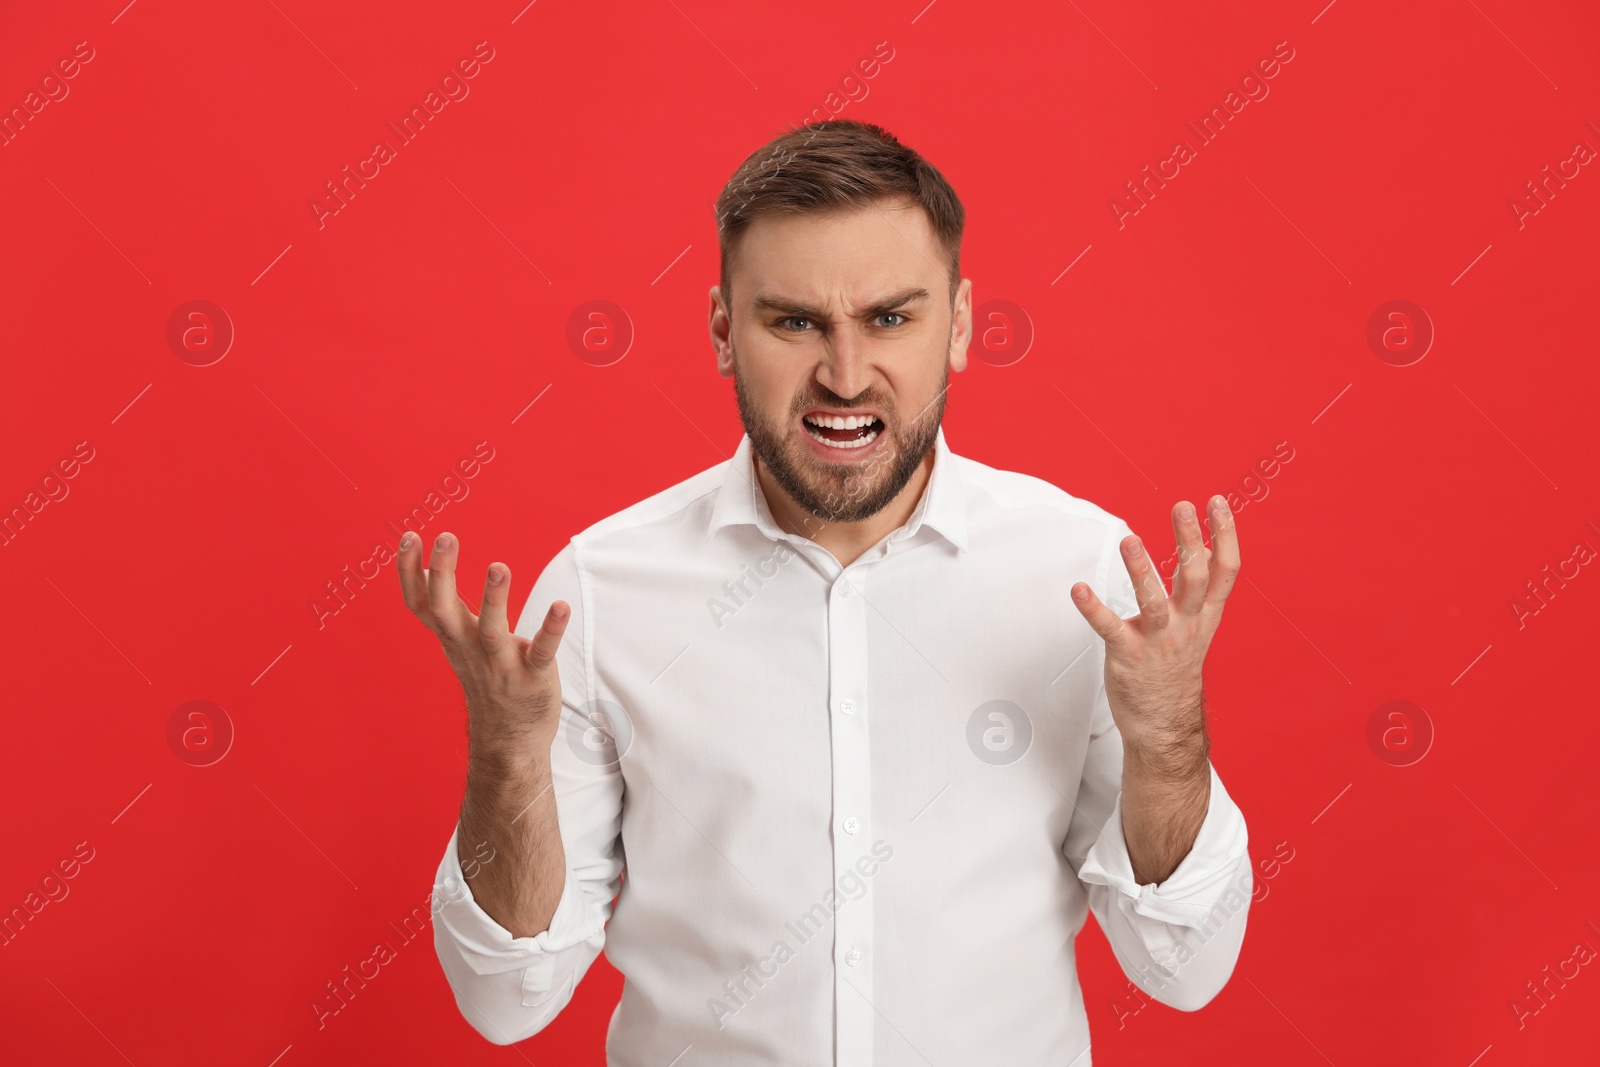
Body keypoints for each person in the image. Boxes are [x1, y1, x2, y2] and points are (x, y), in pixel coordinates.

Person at [399, 118, 1251, 1065]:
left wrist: (1169, 738)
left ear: (960, 326)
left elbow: (1187, 969)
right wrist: (509, 755)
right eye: (794, 321)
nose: (845, 376)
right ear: (724, 331)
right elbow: (503, 1001)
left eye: (891, 317)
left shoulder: (1080, 575)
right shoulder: (599, 594)